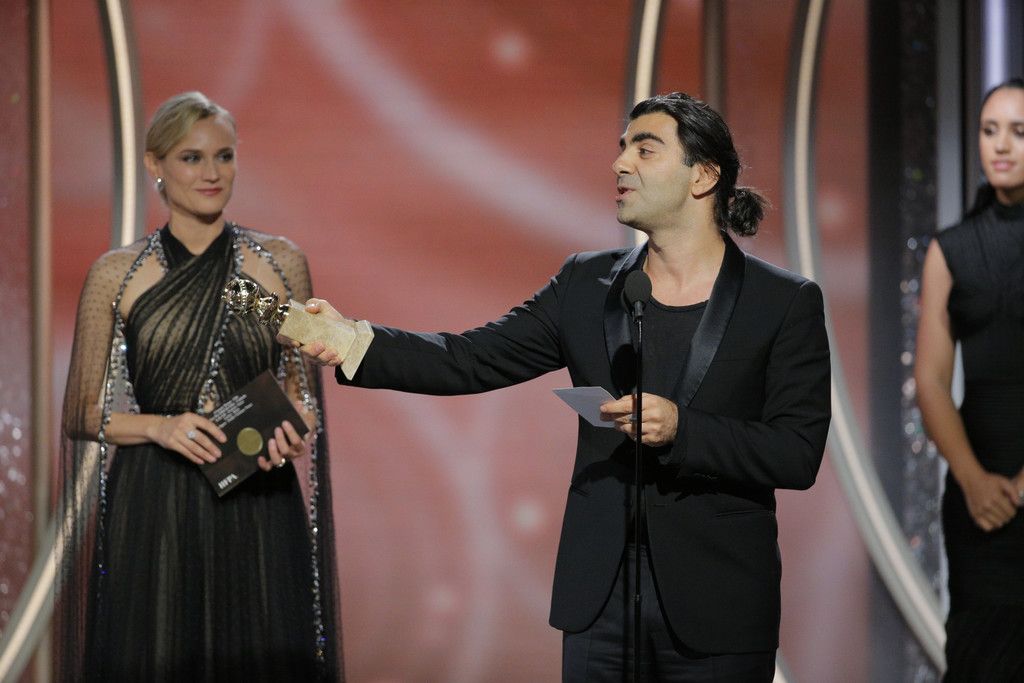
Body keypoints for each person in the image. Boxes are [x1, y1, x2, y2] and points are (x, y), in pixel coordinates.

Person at [301, 92, 830, 681]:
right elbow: (470, 358)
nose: (620, 164)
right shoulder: (586, 283)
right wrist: (354, 341)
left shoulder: (782, 302)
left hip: (718, 605)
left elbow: (796, 452)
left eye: (645, 150)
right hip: (600, 603)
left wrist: (683, 430)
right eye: (622, 148)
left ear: (703, 176)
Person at [57, 91, 343, 681]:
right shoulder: (118, 274)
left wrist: (294, 431)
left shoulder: (279, 264)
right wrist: (160, 428)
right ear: (155, 165)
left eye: (224, 156)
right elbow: (81, 413)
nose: (212, 173)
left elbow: (305, 394)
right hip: (155, 501)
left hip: (258, 497)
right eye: (191, 158)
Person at [915, 77, 1024, 681]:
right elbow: (931, 380)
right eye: (989, 130)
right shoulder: (949, 250)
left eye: (1018, 131)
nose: (1001, 145)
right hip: (978, 496)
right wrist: (973, 479)